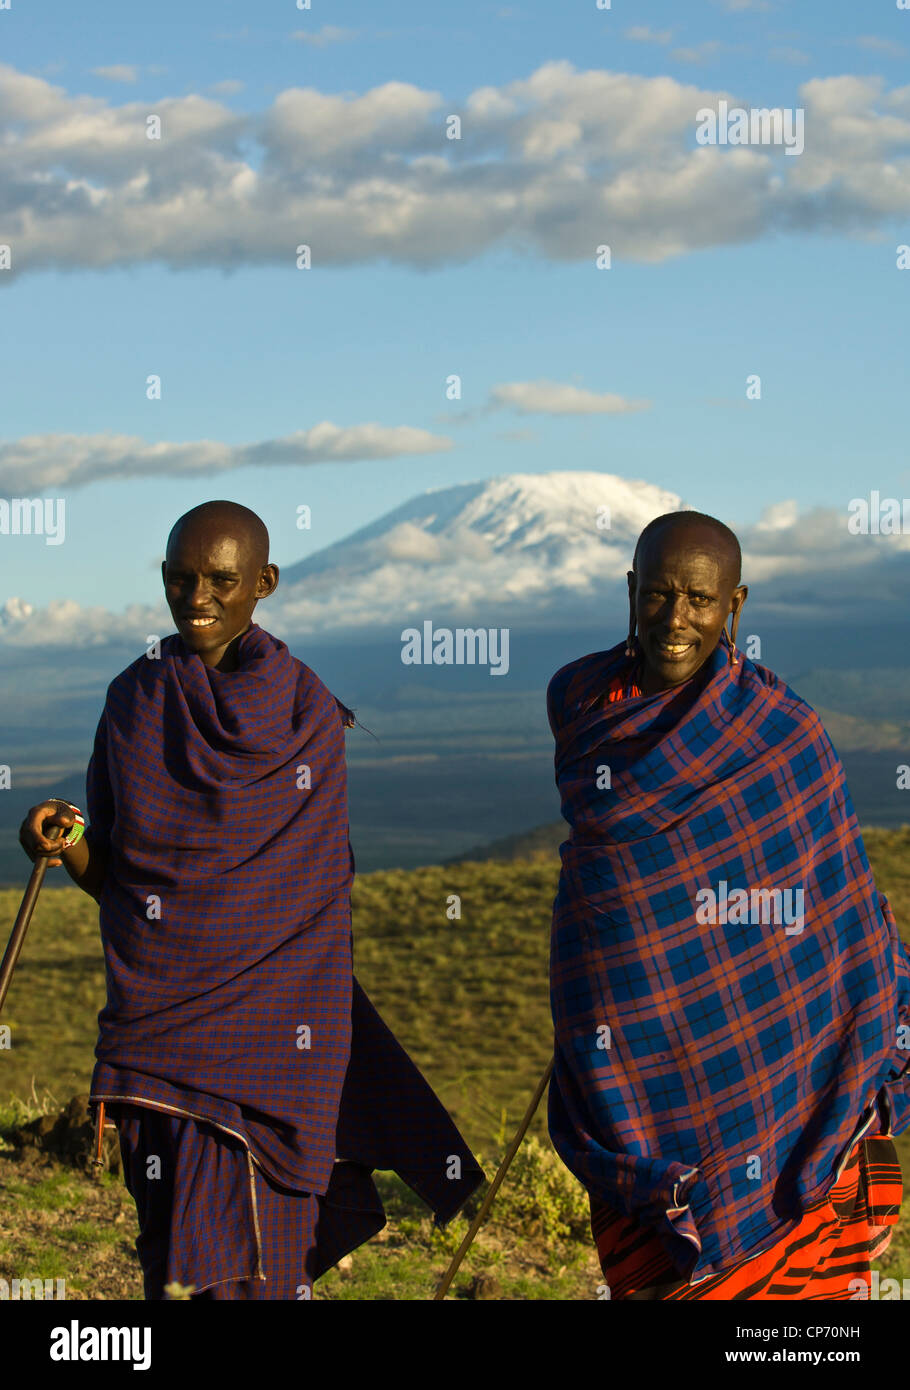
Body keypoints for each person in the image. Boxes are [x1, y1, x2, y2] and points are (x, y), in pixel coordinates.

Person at [20, 499, 482, 1300]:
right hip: (160, 1045)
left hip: (275, 1047)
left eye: (221, 580)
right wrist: (61, 844)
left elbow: (310, 908)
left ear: (263, 583)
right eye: (180, 578)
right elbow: (124, 888)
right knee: (174, 1265)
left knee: (252, 1276)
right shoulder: (135, 702)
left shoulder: (304, 713)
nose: (197, 596)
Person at [546, 509, 910, 1299]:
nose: (675, 621)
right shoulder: (579, 702)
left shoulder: (785, 737)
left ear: (734, 605)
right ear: (630, 590)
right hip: (632, 1061)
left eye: (700, 601)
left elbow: (839, 911)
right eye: (658, 595)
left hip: (764, 1067)